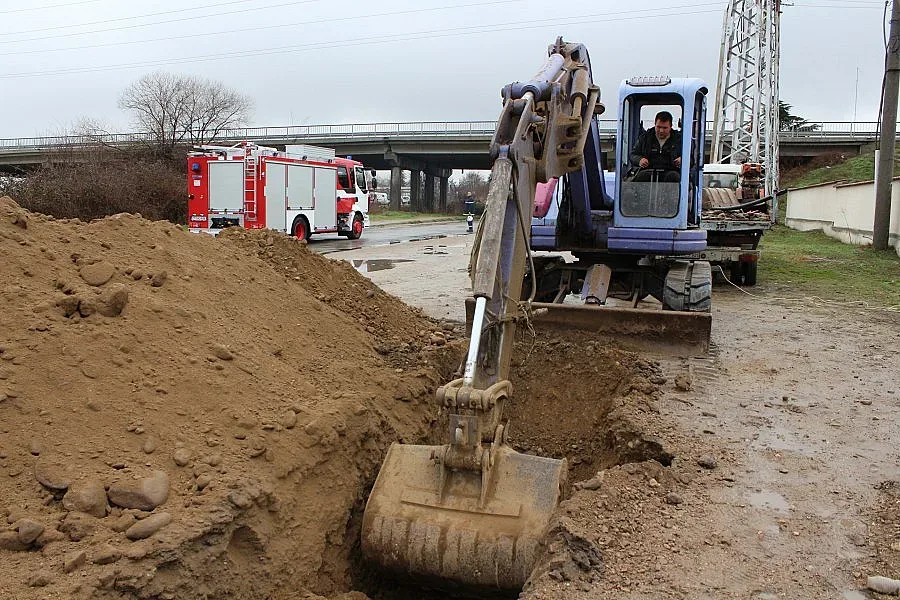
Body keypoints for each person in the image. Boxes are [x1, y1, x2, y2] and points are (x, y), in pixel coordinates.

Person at [629, 111, 682, 183]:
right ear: (655, 124)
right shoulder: (645, 138)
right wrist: (640, 160)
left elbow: (691, 159)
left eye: (665, 128)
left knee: (674, 177)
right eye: (658, 127)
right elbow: (633, 155)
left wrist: (683, 160)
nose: (661, 130)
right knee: (642, 176)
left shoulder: (679, 139)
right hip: (648, 170)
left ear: (671, 126)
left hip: (671, 171)